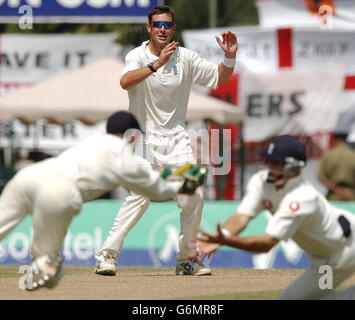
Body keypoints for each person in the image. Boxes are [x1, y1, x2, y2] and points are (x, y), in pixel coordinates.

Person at [94, 5, 238, 276]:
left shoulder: (185, 58)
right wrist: (156, 65)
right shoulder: (136, 55)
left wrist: (229, 59)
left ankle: (187, 260)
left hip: (177, 141)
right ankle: (106, 256)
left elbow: (218, 78)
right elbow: (125, 82)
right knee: (139, 196)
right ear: (149, 28)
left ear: (173, 29)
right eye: (157, 25)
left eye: (167, 25)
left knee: (193, 195)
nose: (162, 29)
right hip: (143, 141)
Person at [0, 111, 206, 291]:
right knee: (48, 270)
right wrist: (188, 181)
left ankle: (43, 260)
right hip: (59, 193)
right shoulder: (124, 156)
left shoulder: (92, 142)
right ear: (133, 136)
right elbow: (159, 190)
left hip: (27, 178)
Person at [194, 135, 355, 299]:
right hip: (323, 259)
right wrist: (224, 236)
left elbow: (267, 244)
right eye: (269, 161)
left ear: (295, 167)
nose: (270, 168)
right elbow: (242, 216)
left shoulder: (302, 198)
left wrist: (225, 241)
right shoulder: (261, 182)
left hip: (344, 252)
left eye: (277, 164)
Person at [318, 132, 355, 201]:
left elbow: (321, 177)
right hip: (351, 196)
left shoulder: (328, 155)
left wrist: (337, 190)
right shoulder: (353, 155)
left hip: (333, 196)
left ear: (335, 140)